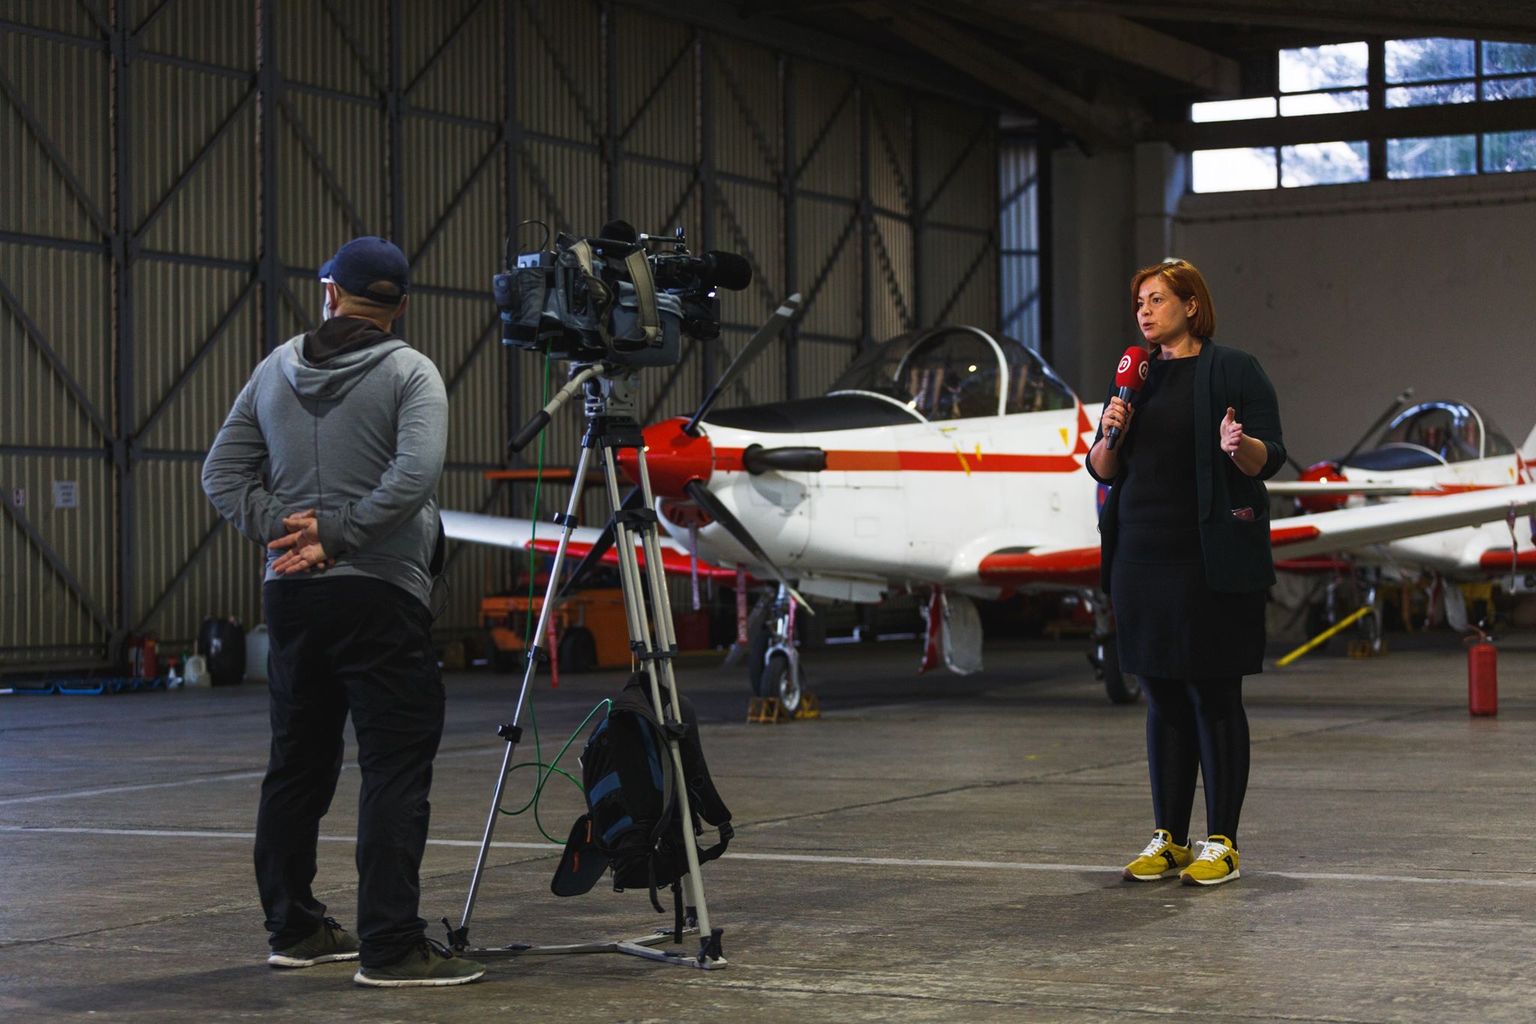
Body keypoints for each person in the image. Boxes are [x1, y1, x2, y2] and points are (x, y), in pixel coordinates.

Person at [201, 236, 484, 986]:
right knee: (393, 767)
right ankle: (390, 946)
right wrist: (338, 534)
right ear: (401, 305)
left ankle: (294, 930)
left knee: (296, 765)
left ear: (329, 291)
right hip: (380, 594)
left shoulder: (274, 369)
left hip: (292, 595)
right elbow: (415, 476)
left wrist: (285, 529)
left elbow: (221, 473)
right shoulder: (411, 372)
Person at [1086, 257, 1285, 887]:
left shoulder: (1235, 369)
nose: (1143, 311)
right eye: (1139, 301)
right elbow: (1102, 468)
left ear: (1191, 305)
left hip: (1209, 555)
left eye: (1156, 299)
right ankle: (1169, 837)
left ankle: (1222, 841)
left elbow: (1270, 456)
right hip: (1139, 555)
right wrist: (1111, 434)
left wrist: (1239, 447)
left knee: (1214, 694)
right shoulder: (1134, 378)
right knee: (1162, 695)